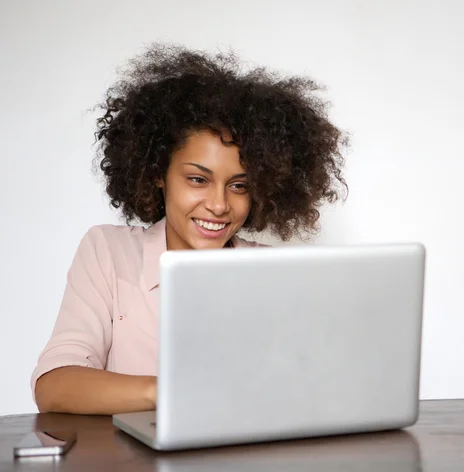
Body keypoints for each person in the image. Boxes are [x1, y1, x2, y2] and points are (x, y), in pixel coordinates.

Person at [31, 43, 348, 415]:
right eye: (198, 179)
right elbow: (55, 384)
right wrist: (168, 393)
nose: (219, 204)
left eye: (239, 185)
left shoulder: (270, 272)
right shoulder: (108, 252)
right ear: (158, 175)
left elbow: (303, 389)